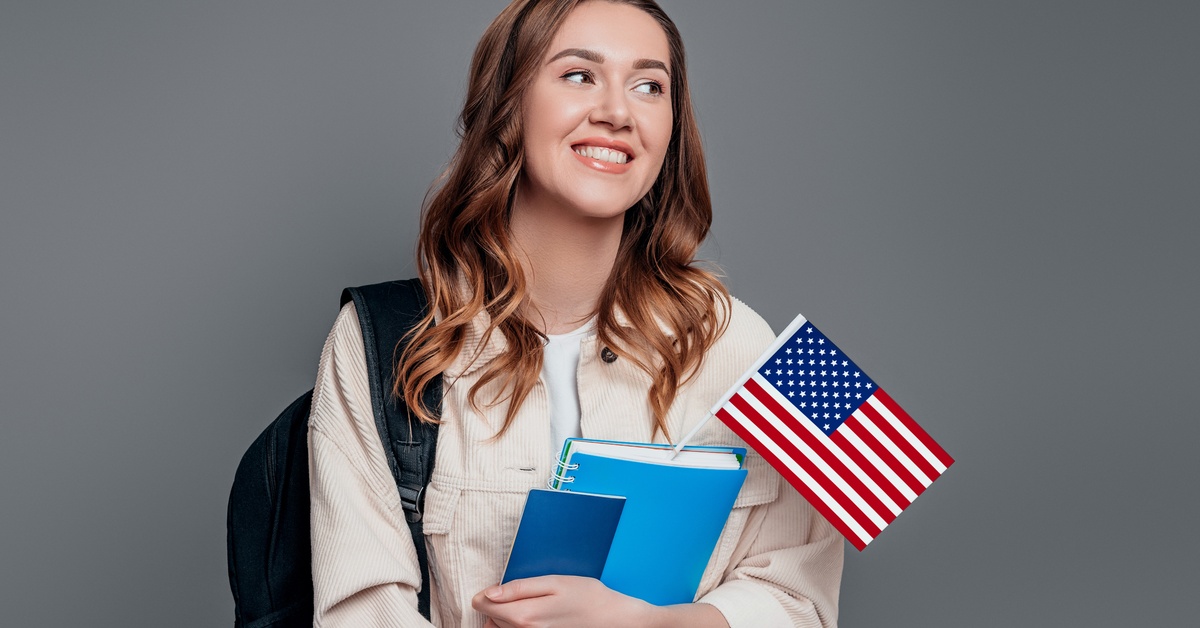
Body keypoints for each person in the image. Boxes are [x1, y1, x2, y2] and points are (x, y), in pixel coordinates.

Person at [307, 0, 843, 626]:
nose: (617, 112)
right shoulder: (385, 343)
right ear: (509, 103)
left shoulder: (741, 343)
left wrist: (649, 625)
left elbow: (797, 602)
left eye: (649, 86)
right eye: (579, 75)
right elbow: (361, 613)